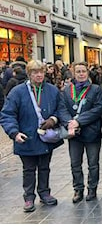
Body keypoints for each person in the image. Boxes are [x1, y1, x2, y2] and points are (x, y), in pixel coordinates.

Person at [0, 60, 62, 213]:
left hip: (46, 138)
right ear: (29, 74)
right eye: (35, 72)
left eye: (41, 71)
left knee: (44, 167)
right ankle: (28, 198)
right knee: (28, 169)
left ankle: (44, 193)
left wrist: (53, 119)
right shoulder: (17, 92)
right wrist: (14, 132)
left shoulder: (52, 90)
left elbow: (61, 109)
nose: (39, 75)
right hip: (26, 137)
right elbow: (7, 114)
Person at [57, 62, 102, 203]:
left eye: (84, 71)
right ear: (73, 73)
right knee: (75, 163)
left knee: (93, 163)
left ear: (88, 73)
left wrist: (79, 121)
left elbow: (98, 109)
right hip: (74, 134)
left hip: (91, 132)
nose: (81, 74)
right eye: (78, 71)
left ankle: (92, 188)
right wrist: (69, 123)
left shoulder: (95, 90)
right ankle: (78, 189)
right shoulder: (66, 91)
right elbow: (62, 109)